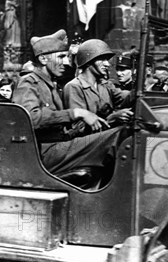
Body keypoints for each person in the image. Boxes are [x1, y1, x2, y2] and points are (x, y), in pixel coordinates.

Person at [12, 29, 123, 178]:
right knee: (117, 136)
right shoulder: (29, 83)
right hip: (42, 153)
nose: (66, 62)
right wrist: (77, 113)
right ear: (44, 59)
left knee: (120, 132)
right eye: (61, 56)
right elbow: (28, 118)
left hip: (56, 146)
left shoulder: (51, 84)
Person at [64, 39, 133, 128]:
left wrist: (138, 89)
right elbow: (78, 128)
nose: (107, 64)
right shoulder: (74, 87)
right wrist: (112, 118)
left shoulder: (105, 84)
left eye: (107, 60)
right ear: (88, 61)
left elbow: (125, 97)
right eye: (102, 59)